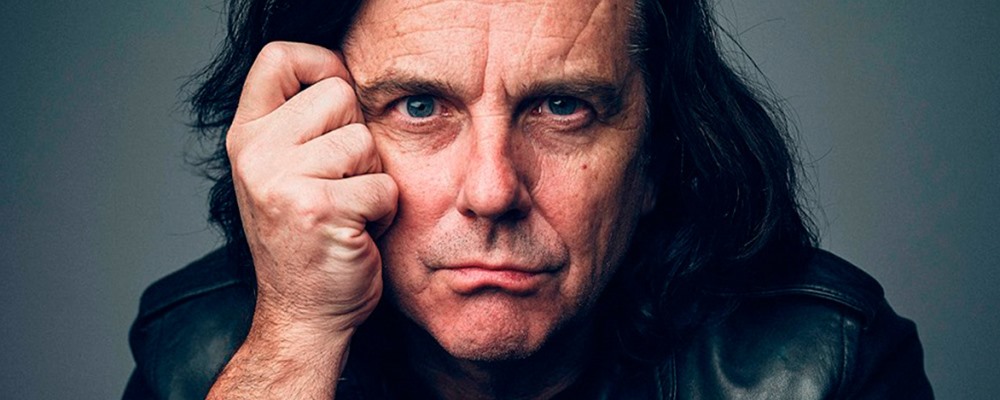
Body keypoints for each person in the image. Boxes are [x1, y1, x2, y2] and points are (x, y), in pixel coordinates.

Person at [124, 0, 933, 398]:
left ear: (658, 154)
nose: (492, 191)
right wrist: (297, 335)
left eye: (562, 108)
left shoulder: (822, 362)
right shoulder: (199, 352)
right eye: (419, 106)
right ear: (317, 132)